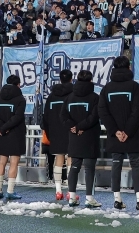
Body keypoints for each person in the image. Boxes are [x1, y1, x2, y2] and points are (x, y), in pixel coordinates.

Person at [97, 56, 139, 211]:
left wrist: (115, 131)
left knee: (116, 165)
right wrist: (127, 131)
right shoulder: (134, 87)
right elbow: (137, 111)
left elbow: (103, 111)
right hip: (132, 134)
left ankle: (117, 199)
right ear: (128, 68)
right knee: (136, 165)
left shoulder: (106, 88)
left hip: (115, 135)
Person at [64, 69, 101, 208]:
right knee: (89, 168)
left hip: (74, 137)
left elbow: (63, 116)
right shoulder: (95, 97)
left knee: (74, 167)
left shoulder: (69, 97)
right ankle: (90, 198)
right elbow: (94, 117)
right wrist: (81, 127)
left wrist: (73, 127)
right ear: (91, 80)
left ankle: (72, 197)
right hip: (90, 136)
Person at [0, 74, 27, 200]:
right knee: (14, 162)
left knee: (2, 161)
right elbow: (17, 117)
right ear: (18, 85)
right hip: (15, 133)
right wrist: (6, 127)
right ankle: (10, 191)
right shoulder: (20, 99)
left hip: (2, 134)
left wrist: (1, 127)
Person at [42, 70, 74, 201]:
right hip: (70, 131)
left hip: (55, 132)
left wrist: (49, 132)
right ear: (71, 79)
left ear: (60, 79)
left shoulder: (51, 96)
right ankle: (71, 191)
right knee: (71, 159)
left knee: (58, 159)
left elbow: (45, 117)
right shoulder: (73, 95)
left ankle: (58, 190)